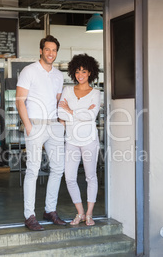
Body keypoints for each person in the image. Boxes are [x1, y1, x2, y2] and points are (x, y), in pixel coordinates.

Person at [16, 35, 66, 231]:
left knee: (57, 169)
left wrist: (60, 123)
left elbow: (58, 101)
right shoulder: (29, 71)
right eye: (47, 49)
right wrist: (28, 126)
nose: (51, 53)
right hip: (35, 125)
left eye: (54, 50)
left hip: (54, 125)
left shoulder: (58, 75)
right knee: (33, 170)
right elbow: (20, 100)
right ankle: (29, 215)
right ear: (41, 50)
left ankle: (50, 210)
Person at [58, 54, 101, 226]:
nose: (80, 75)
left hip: (89, 139)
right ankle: (80, 212)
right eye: (77, 71)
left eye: (83, 71)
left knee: (90, 177)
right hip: (71, 140)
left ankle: (89, 214)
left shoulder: (96, 93)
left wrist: (71, 111)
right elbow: (60, 113)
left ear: (90, 72)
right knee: (69, 177)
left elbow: (92, 116)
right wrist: (79, 113)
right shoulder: (67, 90)